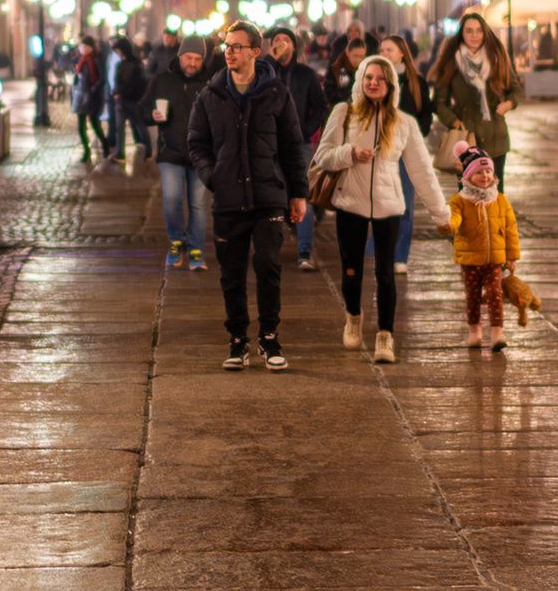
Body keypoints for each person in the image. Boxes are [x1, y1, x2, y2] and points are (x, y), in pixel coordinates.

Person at [188, 19, 309, 372]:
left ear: (256, 51)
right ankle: (237, 338)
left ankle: (269, 337)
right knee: (232, 272)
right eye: (227, 45)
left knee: (268, 265)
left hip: (268, 194)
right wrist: (213, 176)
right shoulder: (211, 96)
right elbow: (196, 143)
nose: (229, 51)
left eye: (237, 46)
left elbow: (291, 145)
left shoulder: (276, 93)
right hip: (228, 196)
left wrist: (298, 193)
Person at [313, 56, 447, 362]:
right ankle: (353, 316)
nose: (374, 83)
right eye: (369, 77)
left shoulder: (404, 123)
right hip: (350, 203)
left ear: (390, 85)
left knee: (386, 274)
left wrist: (442, 214)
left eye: (380, 79)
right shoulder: (344, 112)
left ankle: (386, 336)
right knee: (351, 272)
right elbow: (323, 157)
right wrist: (349, 153)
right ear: (361, 80)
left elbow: (422, 172)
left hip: (389, 207)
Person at [430, 13, 520, 191]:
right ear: (462, 34)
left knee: (495, 194)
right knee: (468, 194)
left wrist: (508, 104)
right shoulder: (451, 61)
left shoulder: (497, 57)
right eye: (469, 31)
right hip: (466, 138)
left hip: (495, 136)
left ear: (485, 33)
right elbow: (439, 103)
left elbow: (515, 89)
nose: (474, 35)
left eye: (479, 31)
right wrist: (454, 122)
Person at [265, 25, 328, 272]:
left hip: (298, 143)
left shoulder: (305, 74)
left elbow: (319, 106)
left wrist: (305, 129)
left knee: (301, 195)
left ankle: (304, 250)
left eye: (286, 40)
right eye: (276, 40)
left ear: (294, 45)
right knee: (270, 196)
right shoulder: (265, 72)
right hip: (269, 143)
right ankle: (270, 249)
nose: (281, 43)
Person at [147, 37, 212, 272]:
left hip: (201, 153)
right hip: (170, 152)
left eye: (197, 59)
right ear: (180, 57)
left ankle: (196, 249)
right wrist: (151, 115)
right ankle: (176, 241)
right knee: (172, 200)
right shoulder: (163, 80)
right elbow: (143, 108)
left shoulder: (210, 84)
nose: (192, 63)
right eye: (189, 58)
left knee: (197, 205)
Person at [448, 141, 520, 352]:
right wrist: (447, 225)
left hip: (495, 260)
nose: (486, 176)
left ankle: (497, 333)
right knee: (473, 296)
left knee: (495, 294)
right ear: (468, 176)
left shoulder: (501, 200)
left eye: (488, 170)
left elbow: (510, 229)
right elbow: (454, 220)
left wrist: (512, 255)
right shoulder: (459, 201)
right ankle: (475, 331)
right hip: (471, 261)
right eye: (480, 172)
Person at [382, 34, 433, 276]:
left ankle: (400, 255)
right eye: (382, 50)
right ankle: (384, 251)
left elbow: (426, 115)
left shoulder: (416, 82)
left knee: (405, 206)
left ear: (402, 52)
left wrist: (414, 136)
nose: (384, 54)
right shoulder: (375, 79)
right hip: (380, 151)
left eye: (389, 50)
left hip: (406, 153)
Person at [108, 36, 152, 161]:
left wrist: (121, 92)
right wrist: (116, 92)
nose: (117, 53)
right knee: (120, 127)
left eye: (118, 50)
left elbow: (136, 84)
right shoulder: (122, 63)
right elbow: (118, 82)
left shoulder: (134, 64)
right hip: (122, 100)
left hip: (131, 101)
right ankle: (120, 152)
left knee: (140, 125)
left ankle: (148, 150)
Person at [72, 35, 111, 163]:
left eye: (85, 46)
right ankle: (86, 151)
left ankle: (105, 146)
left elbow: (102, 78)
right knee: (80, 126)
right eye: (81, 46)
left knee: (95, 124)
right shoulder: (80, 60)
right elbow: (77, 78)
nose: (82, 49)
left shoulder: (97, 60)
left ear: (91, 48)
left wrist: (93, 90)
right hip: (80, 97)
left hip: (93, 98)